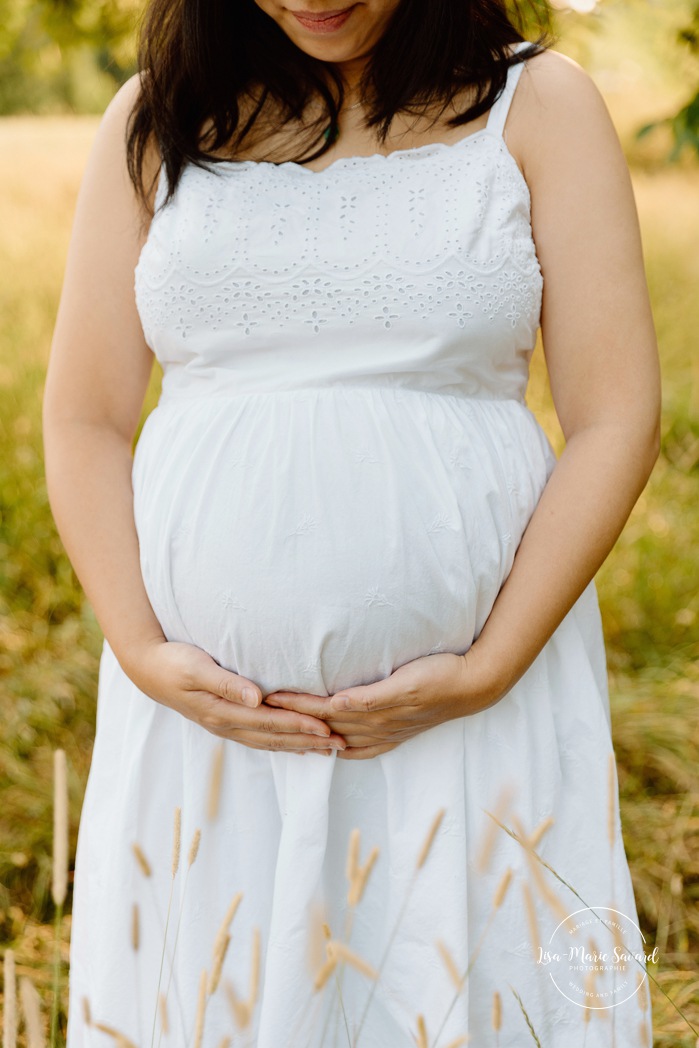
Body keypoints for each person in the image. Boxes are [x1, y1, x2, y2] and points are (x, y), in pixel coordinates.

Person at [43, 0, 661, 1044]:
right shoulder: (154, 120)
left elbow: (617, 417)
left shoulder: (539, 106)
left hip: (477, 714)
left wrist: (491, 665)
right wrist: (144, 651)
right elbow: (85, 416)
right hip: (208, 733)